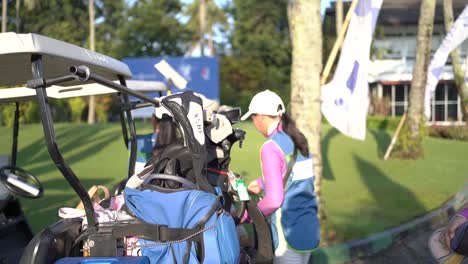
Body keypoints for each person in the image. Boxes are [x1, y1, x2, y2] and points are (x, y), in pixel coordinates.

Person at [240, 90, 320, 264]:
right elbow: (296, 175)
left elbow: (274, 200)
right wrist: (263, 182)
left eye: (253, 118)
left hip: (287, 233)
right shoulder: (297, 138)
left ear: (260, 116)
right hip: (309, 227)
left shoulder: (270, 147)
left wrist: (247, 215)